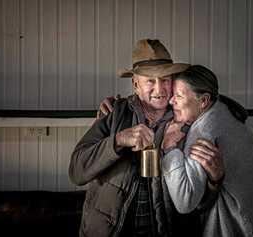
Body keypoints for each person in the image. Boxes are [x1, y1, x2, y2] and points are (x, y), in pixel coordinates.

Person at [69, 39, 222, 237]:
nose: (159, 89)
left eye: (165, 79)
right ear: (135, 84)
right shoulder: (115, 114)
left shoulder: (189, 120)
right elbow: (76, 172)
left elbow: (199, 203)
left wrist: (214, 181)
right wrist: (118, 140)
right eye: (150, 80)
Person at [161, 65, 253, 236]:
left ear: (203, 101)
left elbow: (184, 201)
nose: (171, 101)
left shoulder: (204, 131)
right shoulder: (223, 111)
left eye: (178, 95)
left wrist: (169, 148)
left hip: (239, 229)